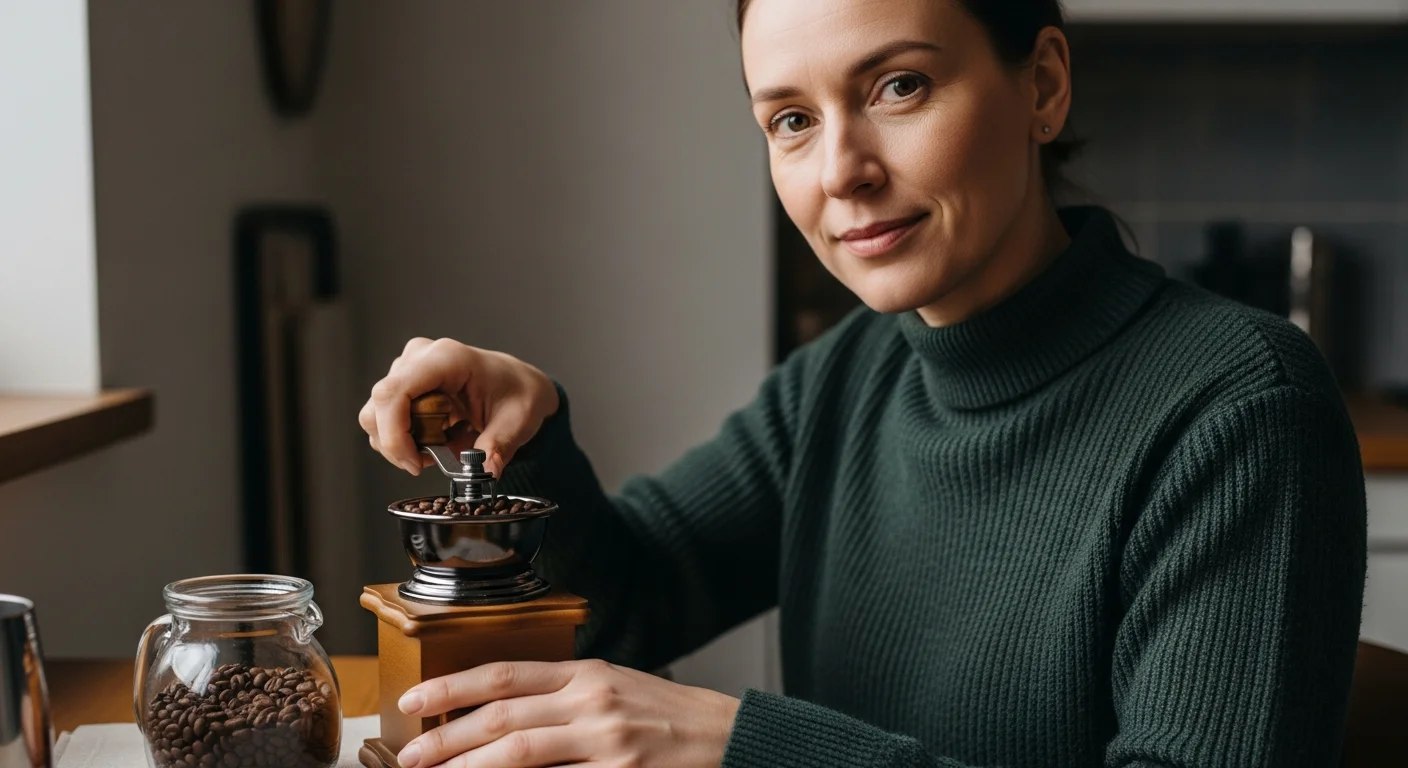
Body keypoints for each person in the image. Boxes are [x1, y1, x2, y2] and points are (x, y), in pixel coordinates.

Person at [358, 0, 1369, 765]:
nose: (840, 170)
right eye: (790, 120)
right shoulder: (843, 379)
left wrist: (745, 746)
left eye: (897, 87)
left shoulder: (1236, 410)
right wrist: (532, 436)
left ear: (1043, 86)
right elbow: (625, 606)